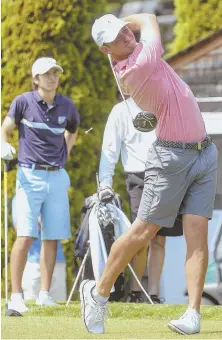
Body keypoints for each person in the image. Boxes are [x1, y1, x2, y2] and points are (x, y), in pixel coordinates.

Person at [79, 14, 218, 335]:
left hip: (204, 153)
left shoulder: (136, 51)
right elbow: (151, 17)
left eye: (126, 30)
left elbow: (142, 24)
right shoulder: (136, 66)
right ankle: (98, 294)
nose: (127, 36)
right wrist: (132, 20)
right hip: (170, 157)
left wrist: (121, 24)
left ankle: (193, 314)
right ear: (105, 50)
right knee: (144, 231)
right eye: (117, 36)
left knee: (197, 235)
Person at [1, 57, 80, 313]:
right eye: (46, 74)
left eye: (55, 73)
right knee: (25, 235)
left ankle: (45, 294)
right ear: (36, 78)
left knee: (52, 236)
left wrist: (64, 154)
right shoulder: (23, 102)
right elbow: (6, 129)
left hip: (56, 177)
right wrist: (4, 144)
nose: (52, 78)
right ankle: (16, 297)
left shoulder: (67, 105)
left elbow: (73, 130)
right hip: (29, 176)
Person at [98, 96, 183, 303]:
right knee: (140, 238)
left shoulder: (163, 105)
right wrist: (105, 183)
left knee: (159, 238)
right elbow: (109, 150)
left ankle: (153, 294)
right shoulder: (121, 111)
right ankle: (136, 293)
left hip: (167, 176)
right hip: (138, 177)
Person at [11, 195, 67, 302]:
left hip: (58, 261)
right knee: (31, 304)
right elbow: (20, 229)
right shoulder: (20, 197)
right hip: (33, 264)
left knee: (57, 306)